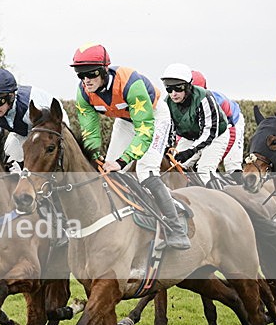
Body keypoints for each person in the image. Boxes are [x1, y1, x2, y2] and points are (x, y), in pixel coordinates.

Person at [70, 43, 190, 250]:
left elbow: (144, 130)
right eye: (80, 75)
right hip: (124, 121)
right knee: (108, 171)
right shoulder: (83, 93)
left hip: (153, 117)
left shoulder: (130, 83)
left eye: (90, 74)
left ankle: (176, 226)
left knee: (145, 171)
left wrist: (122, 161)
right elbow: (90, 131)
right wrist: (96, 156)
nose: (85, 80)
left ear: (104, 70)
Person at [0, 68, 69, 173]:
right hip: (22, 131)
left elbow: (42, 141)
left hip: (53, 124)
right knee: (10, 158)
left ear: (11, 97)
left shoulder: (31, 107)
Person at [160, 63, 229, 188]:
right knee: (174, 167)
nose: (173, 93)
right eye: (169, 89)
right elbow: (169, 130)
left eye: (178, 88)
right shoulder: (167, 103)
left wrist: (191, 151)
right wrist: (167, 148)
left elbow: (209, 132)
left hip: (215, 135)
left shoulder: (204, 97)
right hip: (191, 136)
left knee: (204, 170)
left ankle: (221, 202)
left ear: (188, 86)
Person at [190, 70, 244, 180]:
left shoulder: (217, 102)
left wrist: (217, 157)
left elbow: (228, 133)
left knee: (232, 166)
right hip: (206, 127)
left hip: (231, 122)